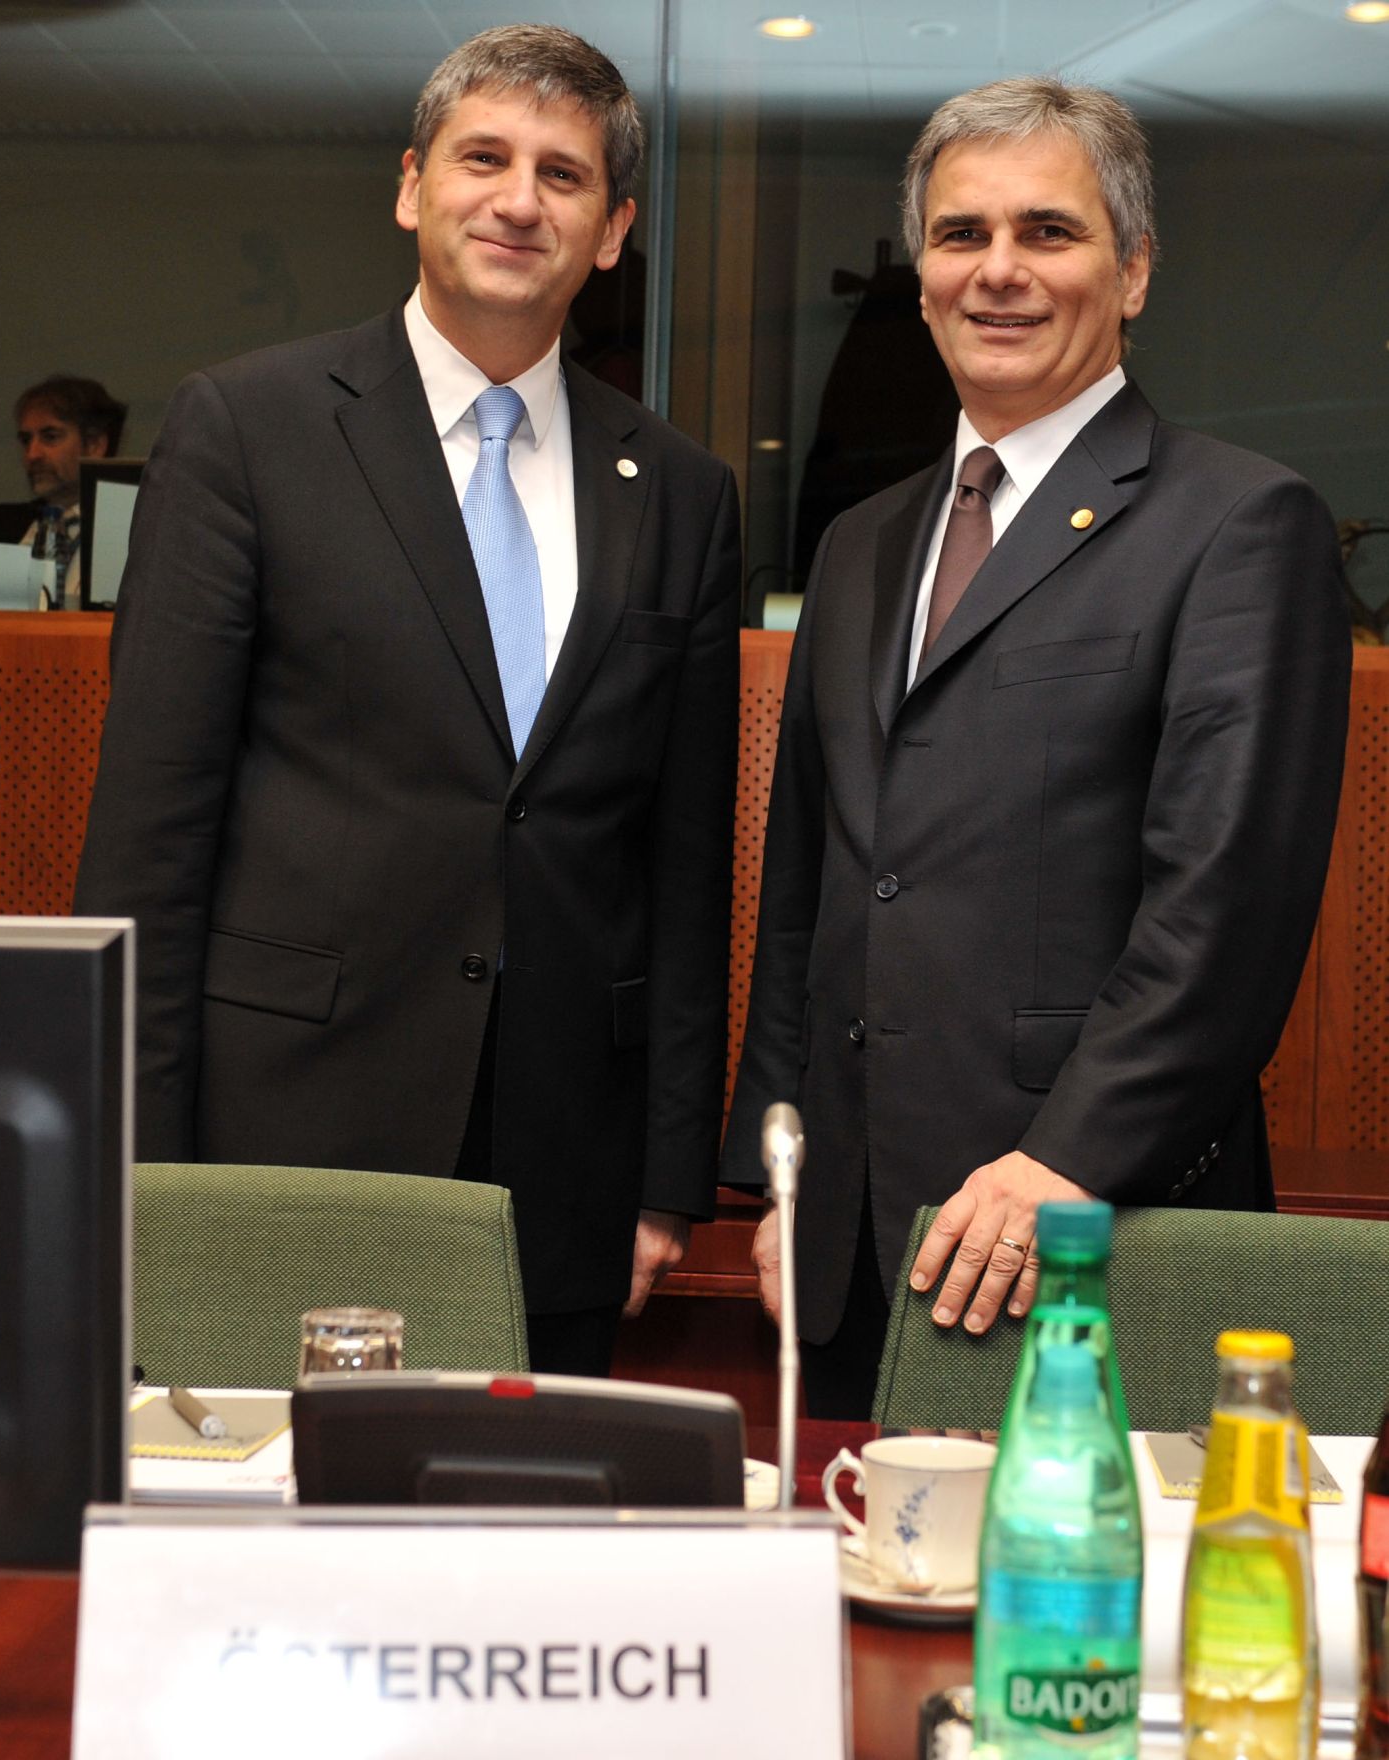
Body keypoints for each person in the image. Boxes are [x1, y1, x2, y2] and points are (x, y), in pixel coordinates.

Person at [74, 25, 741, 1377]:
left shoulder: (678, 489)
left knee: (523, 1559)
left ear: (610, 231)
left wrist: (667, 1177)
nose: (516, 200)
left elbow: (683, 859)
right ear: (410, 186)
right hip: (283, 1138)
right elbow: (150, 836)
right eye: (482, 157)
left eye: (563, 177)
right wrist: (137, 1176)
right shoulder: (247, 431)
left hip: (561, 1165)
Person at [724, 76, 1351, 1417]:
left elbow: (1224, 915)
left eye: (1048, 234)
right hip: (846, 1251)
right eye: (959, 236)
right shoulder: (860, 542)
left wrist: (1059, 1165)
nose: (997, 271)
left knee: (1076, 1626)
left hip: (1091, 1238)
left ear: (1131, 271)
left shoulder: (1239, 525)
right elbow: (812, 892)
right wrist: (780, 1173)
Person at [0, 376, 129, 605]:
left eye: (50, 437)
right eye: (26, 440)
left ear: (95, 445)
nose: (32, 454)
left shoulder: (129, 535)